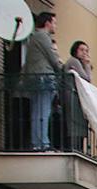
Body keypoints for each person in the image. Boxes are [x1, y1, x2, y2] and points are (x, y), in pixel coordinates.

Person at [24, 12, 62, 150]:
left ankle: (38, 142)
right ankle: (41, 143)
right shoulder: (42, 36)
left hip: (37, 78)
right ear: (47, 23)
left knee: (39, 111)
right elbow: (52, 58)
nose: (55, 26)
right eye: (54, 23)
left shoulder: (35, 37)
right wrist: (61, 68)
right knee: (42, 112)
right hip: (43, 78)